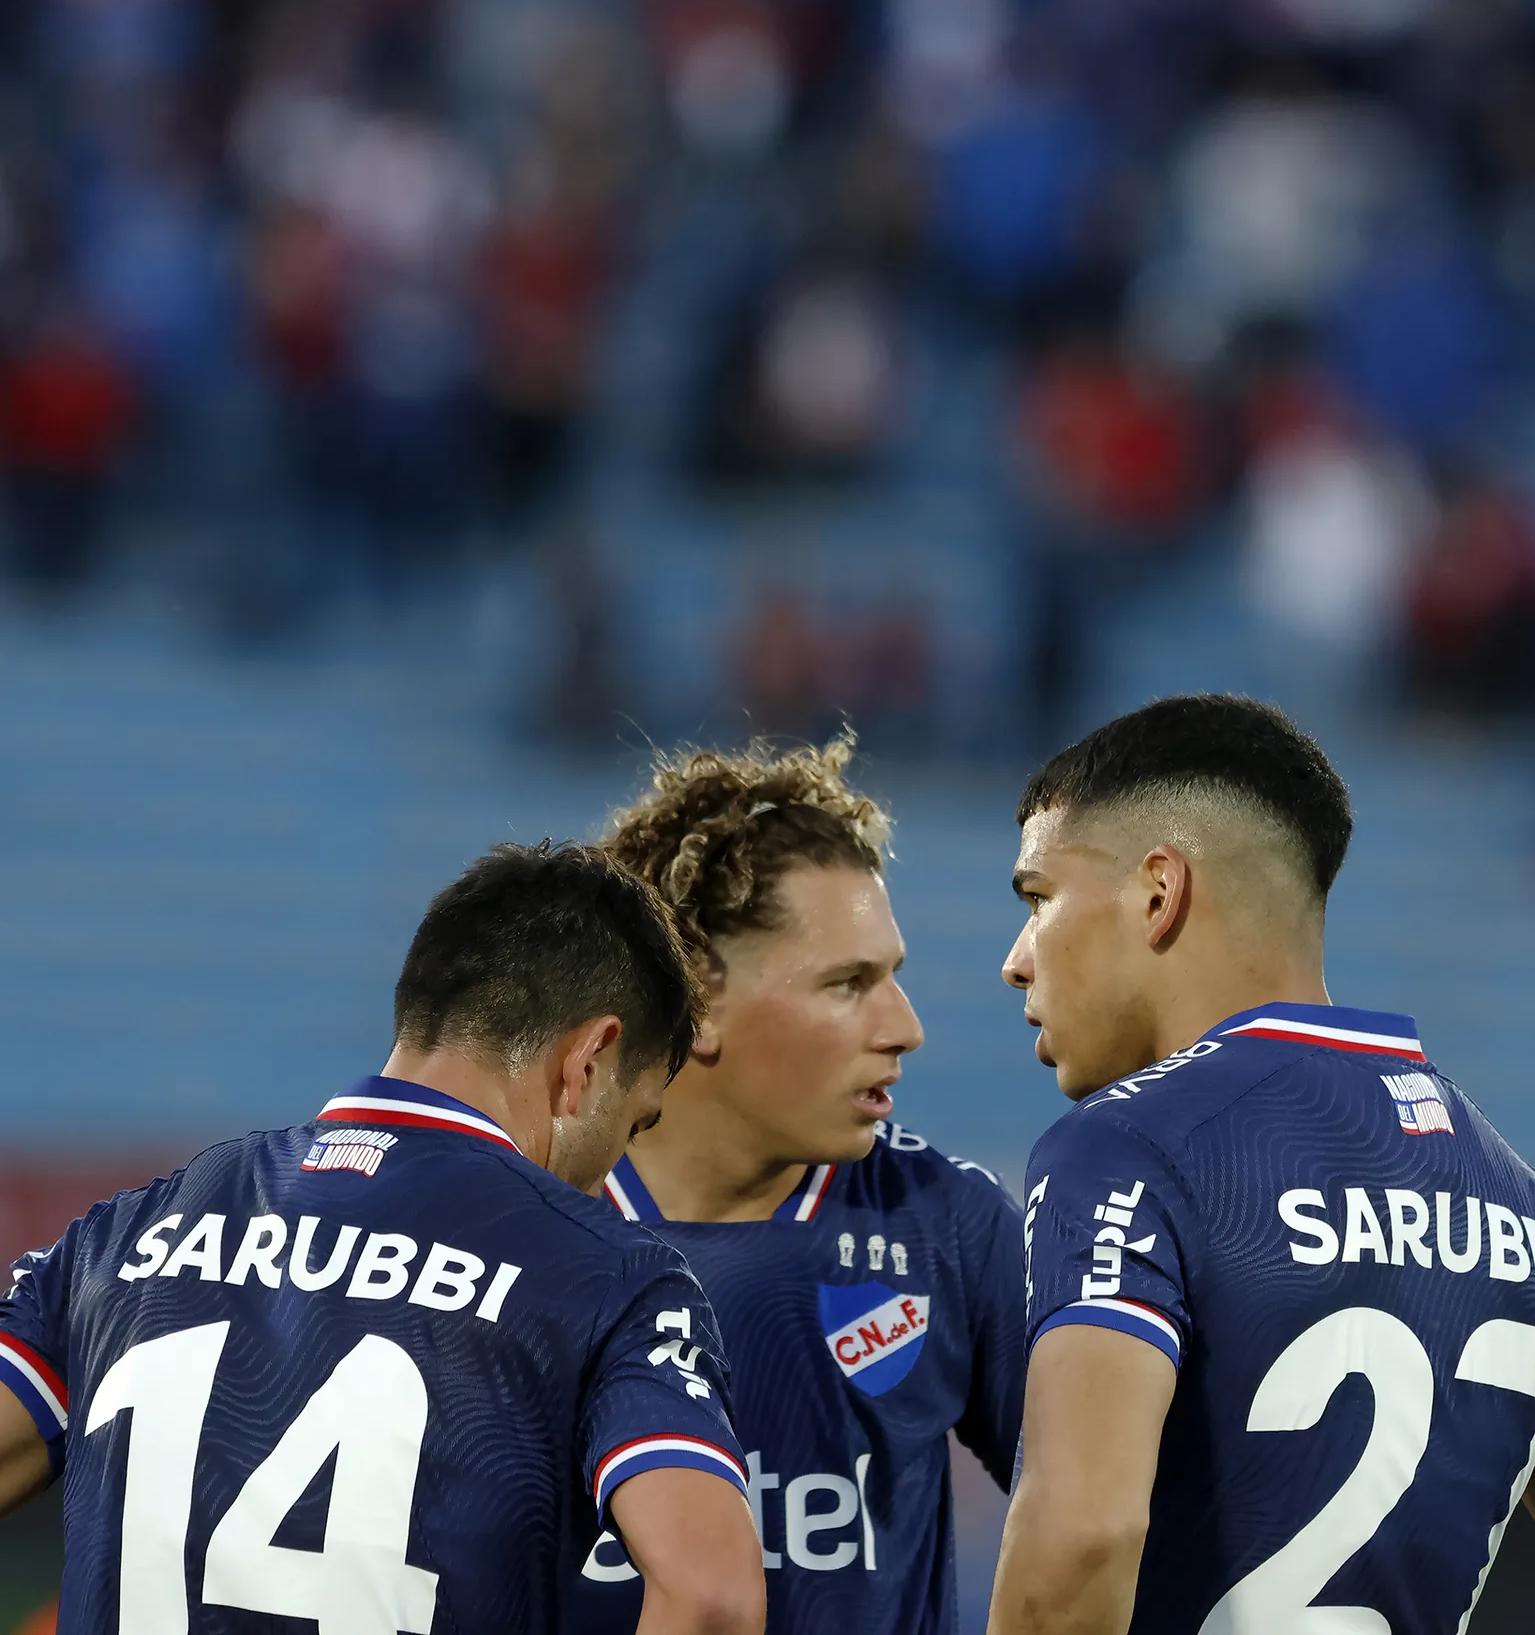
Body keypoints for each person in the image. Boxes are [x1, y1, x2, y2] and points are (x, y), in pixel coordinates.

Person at [0, 841, 766, 1635]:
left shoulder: (126, 1231)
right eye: (633, 1125)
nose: (610, 1174)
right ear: (589, 1059)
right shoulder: (609, 1276)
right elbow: (710, 1597)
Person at [986, 695, 1535, 1635]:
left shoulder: (1125, 1144)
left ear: (1158, 891)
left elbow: (1081, 1540)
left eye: (1038, 899)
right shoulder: (1509, 1188)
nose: (1015, 960)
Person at [572, 736, 1028, 1635]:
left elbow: (1120, 1518)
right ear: (697, 1002)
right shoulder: (529, 1226)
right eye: (848, 983)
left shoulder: (947, 1225)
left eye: (892, 976)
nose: (904, 1027)